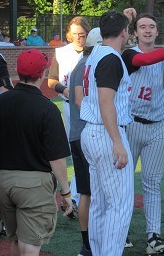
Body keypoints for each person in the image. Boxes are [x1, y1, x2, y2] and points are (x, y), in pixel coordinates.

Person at [0, 49, 73, 256]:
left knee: (17, 238)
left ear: (17, 73)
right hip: (33, 184)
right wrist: (66, 193)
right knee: (31, 244)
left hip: (0, 180)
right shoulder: (47, 108)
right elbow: (56, 158)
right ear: (43, 74)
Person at [121, 13, 164, 254]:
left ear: (158, 32)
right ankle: (120, 230)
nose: (147, 30)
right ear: (135, 32)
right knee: (124, 183)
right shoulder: (129, 54)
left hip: (157, 124)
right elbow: (145, 61)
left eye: (152, 27)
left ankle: (153, 236)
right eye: (142, 26)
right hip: (131, 123)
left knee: (153, 183)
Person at [79, 9, 136, 256]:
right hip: (105, 132)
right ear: (124, 33)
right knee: (119, 206)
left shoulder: (94, 54)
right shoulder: (111, 58)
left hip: (91, 132)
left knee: (101, 204)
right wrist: (117, 141)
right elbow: (106, 102)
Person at [69, 27, 102, 256]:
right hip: (89, 135)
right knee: (98, 193)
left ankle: (87, 244)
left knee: (86, 193)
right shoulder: (92, 66)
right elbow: (83, 102)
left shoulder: (80, 65)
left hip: (77, 135)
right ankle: (97, 241)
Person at [48, 17, 91, 136]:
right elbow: (51, 81)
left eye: (81, 34)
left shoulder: (94, 52)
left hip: (90, 105)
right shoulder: (61, 52)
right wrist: (63, 89)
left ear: (87, 33)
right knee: (72, 146)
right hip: (68, 105)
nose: (77, 38)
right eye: (74, 34)